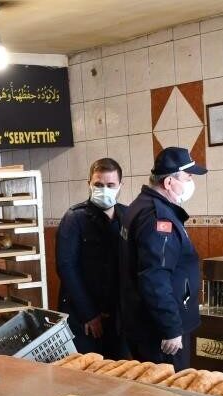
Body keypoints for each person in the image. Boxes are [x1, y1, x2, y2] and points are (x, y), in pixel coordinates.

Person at [118, 147, 207, 370]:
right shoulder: (158, 218)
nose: (191, 182)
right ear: (168, 182)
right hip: (160, 333)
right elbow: (155, 276)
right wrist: (171, 328)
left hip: (144, 322)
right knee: (170, 394)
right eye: (188, 177)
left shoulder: (139, 206)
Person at [56, 157, 127, 358]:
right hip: (83, 315)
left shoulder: (127, 216)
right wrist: (89, 314)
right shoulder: (75, 218)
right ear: (89, 184)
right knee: (87, 374)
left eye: (110, 185)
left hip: (117, 316)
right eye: (98, 184)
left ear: (121, 185)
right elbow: (66, 267)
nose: (104, 189)